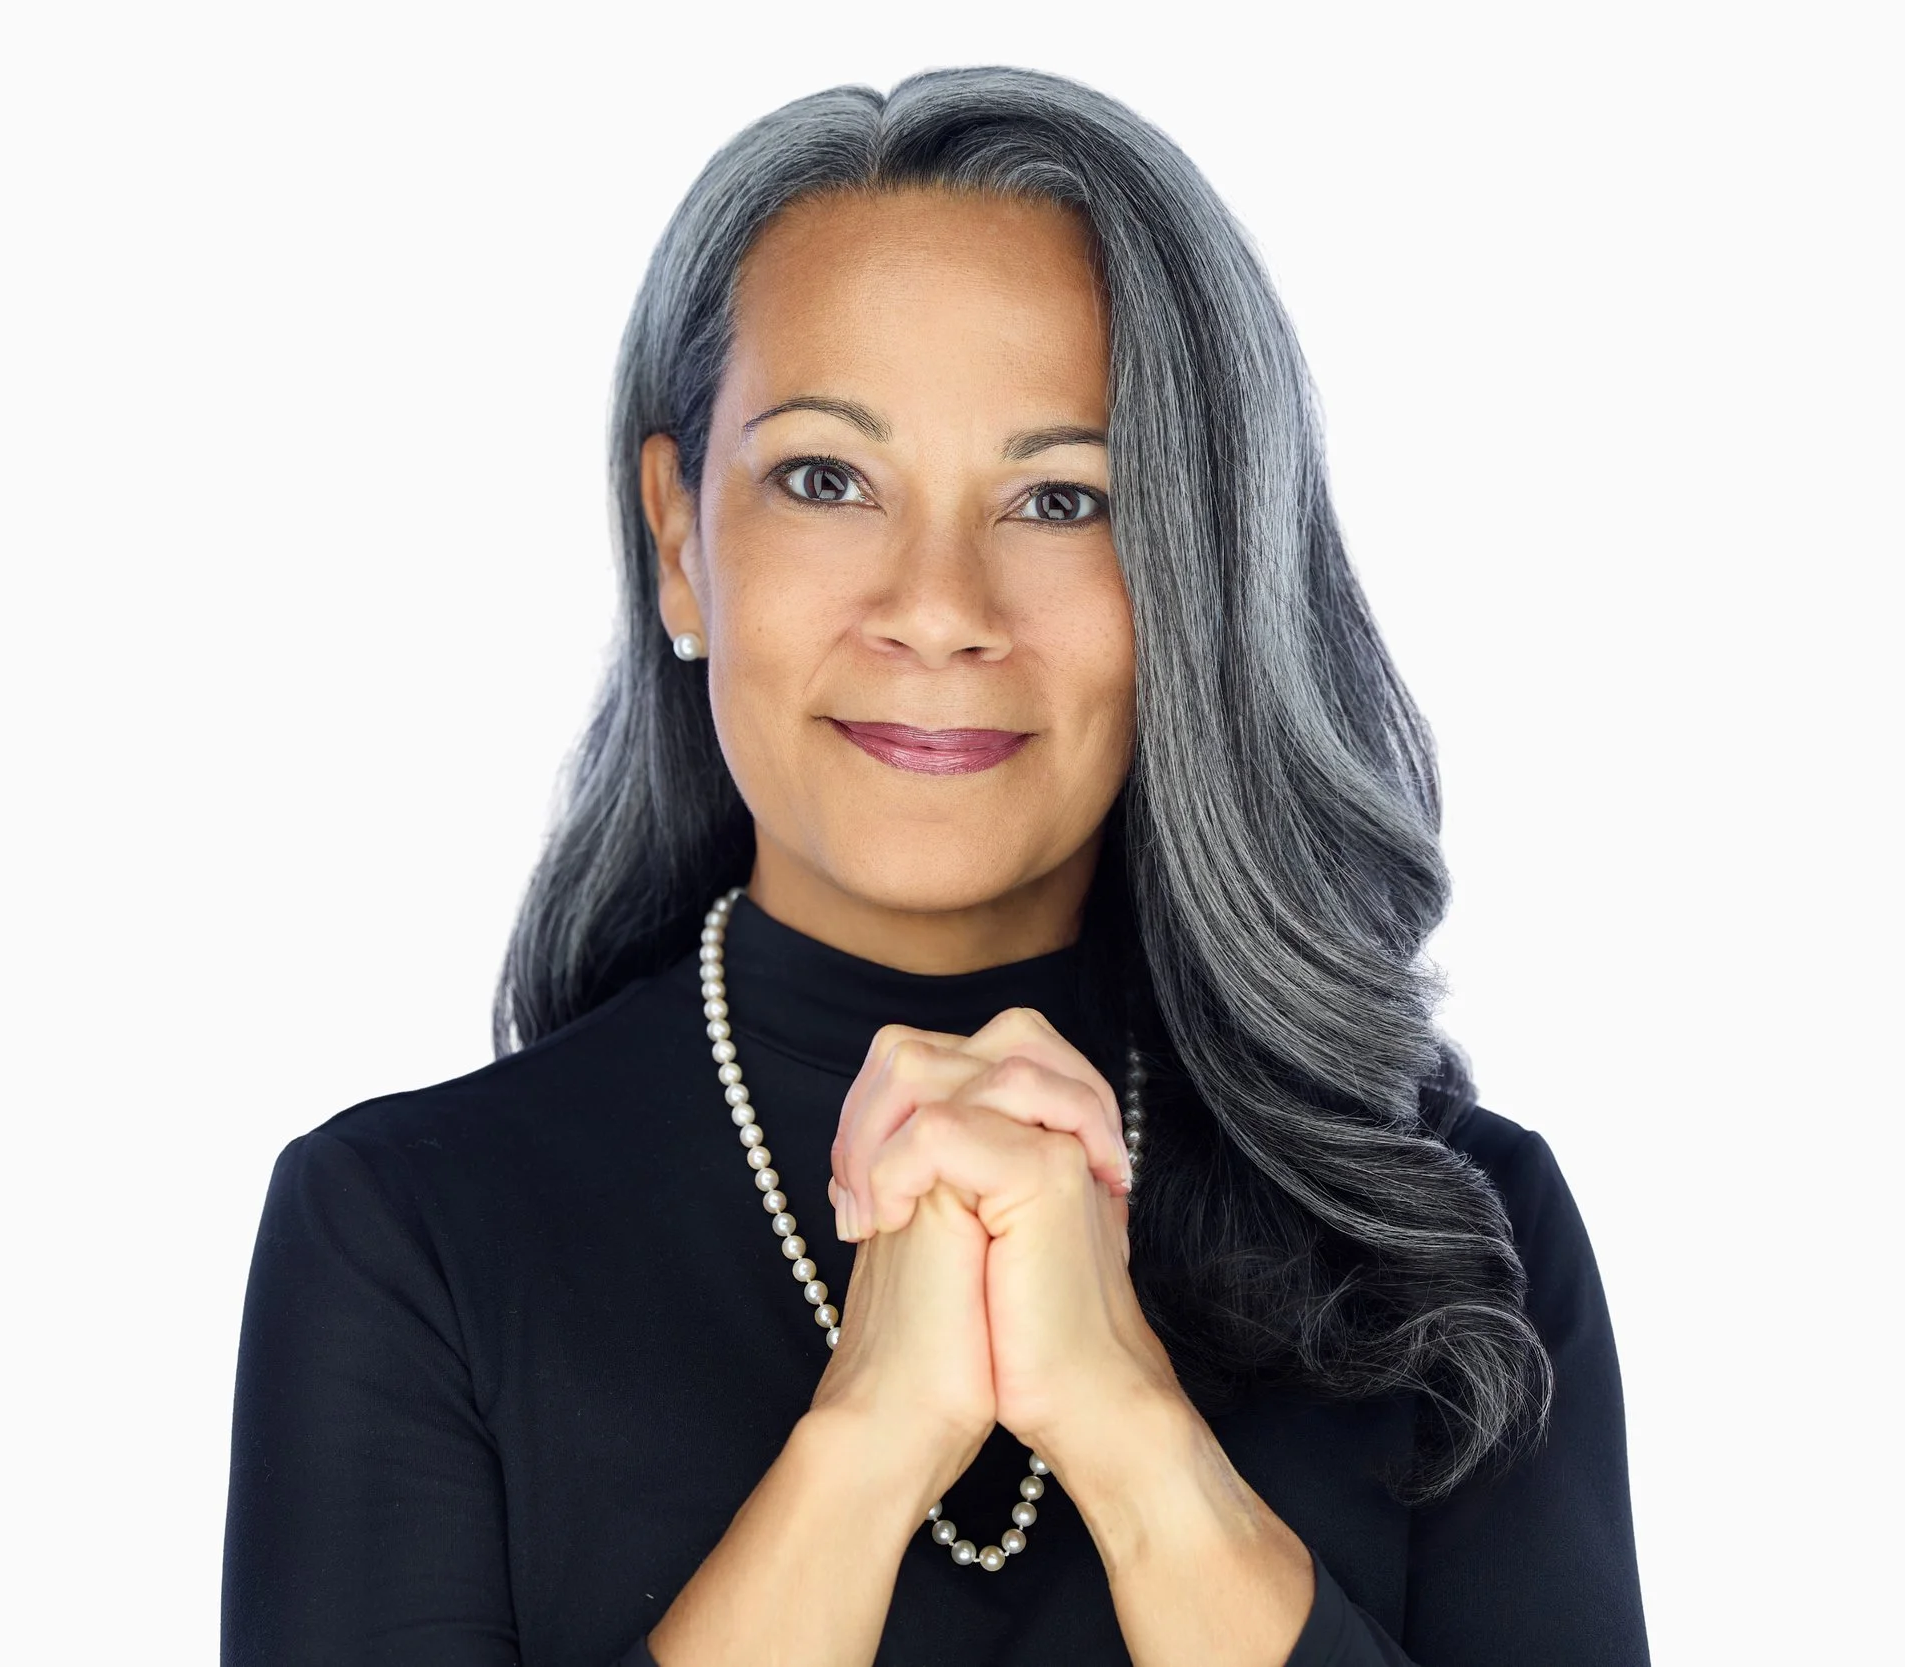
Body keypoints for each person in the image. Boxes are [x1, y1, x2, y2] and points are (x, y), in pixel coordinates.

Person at [221, 67, 1648, 1667]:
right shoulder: (409, 1233)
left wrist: (1131, 1435)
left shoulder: (1456, 1246)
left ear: (1193, 564)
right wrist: (870, 1440)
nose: (939, 603)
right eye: (827, 478)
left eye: (1061, 497)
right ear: (682, 540)